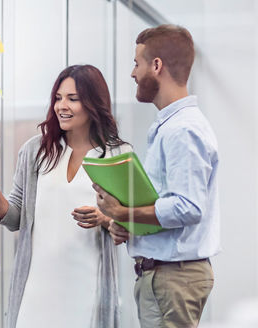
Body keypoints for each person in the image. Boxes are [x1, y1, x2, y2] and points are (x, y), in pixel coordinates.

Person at [0, 65, 132, 328]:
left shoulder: (118, 155)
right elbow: (14, 219)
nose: (61, 106)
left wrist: (104, 218)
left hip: (88, 288)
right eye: (58, 97)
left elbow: (132, 227)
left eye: (72, 99)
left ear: (93, 103)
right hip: (36, 290)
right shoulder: (35, 151)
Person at [93, 24, 221, 328]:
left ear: (157, 66)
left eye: (137, 63)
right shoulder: (171, 127)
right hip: (163, 277)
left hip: (174, 280)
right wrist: (126, 225)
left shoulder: (182, 130)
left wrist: (124, 212)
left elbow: (187, 207)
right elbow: (167, 204)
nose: (133, 73)